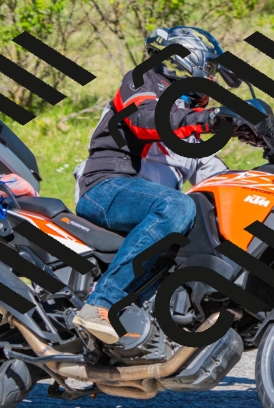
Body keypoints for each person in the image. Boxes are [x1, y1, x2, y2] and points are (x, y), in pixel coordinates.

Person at [70, 26, 239, 345]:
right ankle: (99, 305)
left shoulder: (190, 125)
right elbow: (147, 120)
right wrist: (208, 119)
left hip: (148, 208)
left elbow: (221, 181)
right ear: (190, 60)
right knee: (178, 206)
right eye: (210, 68)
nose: (212, 78)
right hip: (105, 188)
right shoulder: (143, 82)